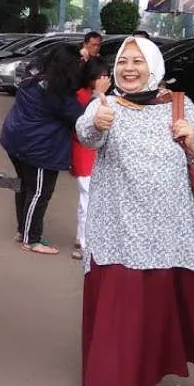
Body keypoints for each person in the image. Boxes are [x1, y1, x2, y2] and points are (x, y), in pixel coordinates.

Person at [74, 36, 194, 386]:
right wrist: (98, 121)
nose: (129, 69)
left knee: (154, 307)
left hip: (167, 229)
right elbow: (86, 135)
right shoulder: (107, 105)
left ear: (153, 66)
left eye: (138, 62)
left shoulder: (178, 104)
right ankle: (101, 379)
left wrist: (192, 142)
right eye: (124, 61)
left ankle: (149, 377)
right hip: (118, 227)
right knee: (117, 303)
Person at [0, 43, 86, 256]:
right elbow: (82, 118)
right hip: (38, 148)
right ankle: (32, 239)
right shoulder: (58, 93)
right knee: (39, 192)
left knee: (25, 187)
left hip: (15, 139)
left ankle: (24, 230)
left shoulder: (33, 73)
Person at [71, 59, 112, 261]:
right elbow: (84, 123)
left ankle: (82, 238)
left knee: (87, 198)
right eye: (100, 77)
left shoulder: (102, 97)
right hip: (83, 153)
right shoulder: (82, 97)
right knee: (88, 198)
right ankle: (86, 243)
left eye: (106, 76)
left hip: (93, 154)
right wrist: (100, 94)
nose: (105, 81)